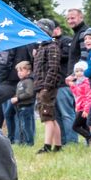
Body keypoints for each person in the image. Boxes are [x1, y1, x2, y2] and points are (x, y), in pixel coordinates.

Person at [0, 43, 34, 131]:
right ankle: (18, 138)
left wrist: (1, 80)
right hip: (27, 79)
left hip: (11, 80)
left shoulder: (6, 40)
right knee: (17, 111)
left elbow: (4, 61)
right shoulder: (28, 39)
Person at [31, 19, 64, 154]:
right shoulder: (42, 48)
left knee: (47, 117)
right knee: (51, 116)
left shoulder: (52, 47)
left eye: (39, 30)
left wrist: (46, 87)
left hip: (46, 87)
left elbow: (53, 68)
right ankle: (57, 146)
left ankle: (47, 146)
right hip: (40, 86)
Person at [51, 23, 77, 145]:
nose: (53, 31)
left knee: (67, 114)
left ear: (59, 29)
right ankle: (62, 141)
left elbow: (69, 55)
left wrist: (52, 53)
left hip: (64, 83)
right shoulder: (50, 42)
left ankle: (72, 141)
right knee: (57, 116)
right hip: (54, 84)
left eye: (55, 29)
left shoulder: (66, 40)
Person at [66, 61, 91, 146]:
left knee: (75, 126)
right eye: (77, 71)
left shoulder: (86, 82)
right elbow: (78, 94)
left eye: (81, 71)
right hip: (80, 107)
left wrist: (86, 110)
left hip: (84, 108)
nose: (79, 73)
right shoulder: (79, 82)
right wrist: (72, 85)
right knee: (85, 126)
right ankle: (89, 142)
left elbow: (89, 97)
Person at [8, 60, 36, 146]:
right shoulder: (20, 82)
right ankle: (22, 142)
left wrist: (18, 98)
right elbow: (18, 93)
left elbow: (29, 93)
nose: (19, 73)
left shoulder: (29, 81)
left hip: (26, 107)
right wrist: (15, 97)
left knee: (26, 126)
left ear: (28, 71)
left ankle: (29, 143)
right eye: (18, 71)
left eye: (21, 70)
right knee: (21, 125)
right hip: (20, 107)